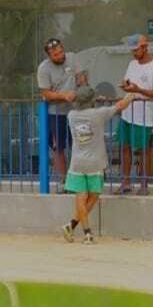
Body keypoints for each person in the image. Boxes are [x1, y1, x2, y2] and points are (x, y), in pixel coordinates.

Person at [61, 85, 135, 245]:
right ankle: (79, 229)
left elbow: (82, 106)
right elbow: (120, 105)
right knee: (93, 196)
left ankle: (79, 229)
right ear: (91, 101)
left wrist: (93, 101)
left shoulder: (71, 115)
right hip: (96, 163)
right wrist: (131, 95)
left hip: (77, 163)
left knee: (81, 196)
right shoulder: (99, 114)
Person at [116, 33, 153, 195]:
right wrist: (126, 86)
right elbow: (128, 83)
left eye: (136, 50)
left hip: (144, 116)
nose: (134, 53)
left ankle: (144, 185)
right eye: (132, 50)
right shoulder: (132, 64)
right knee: (125, 147)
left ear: (145, 47)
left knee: (144, 150)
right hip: (127, 113)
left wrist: (139, 90)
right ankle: (125, 183)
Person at [36, 38, 86, 192]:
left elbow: (81, 78)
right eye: (56, 55)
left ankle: (80, 179)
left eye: (61, 52)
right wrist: (63, 96)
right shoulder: (43, 68)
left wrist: (82, 88)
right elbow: (46, 93)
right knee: (58, 148)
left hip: (76, 111)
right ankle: (65, 181)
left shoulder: (72, 58)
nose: (60, 56)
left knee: (79, 145)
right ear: (49, 56)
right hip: (56, 113)